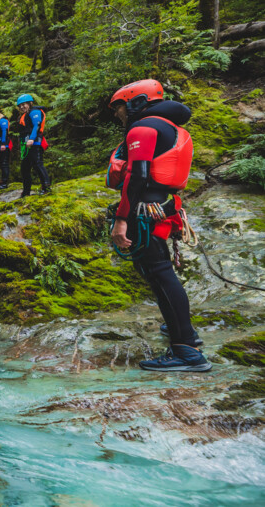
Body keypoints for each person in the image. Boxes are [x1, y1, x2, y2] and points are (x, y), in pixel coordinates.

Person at [105, 79, 209, 372]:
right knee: (160, 272)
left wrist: (121, 219)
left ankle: (186, 350)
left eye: (120, 107)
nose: (118, 114)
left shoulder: (144, 129)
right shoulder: (170, 128)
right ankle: (181, 331)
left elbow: (136, 177)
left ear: (137, 102)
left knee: (159, 274)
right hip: (160, 206)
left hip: (142, 211)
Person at [15, 94, 52, 197]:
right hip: (26, 145)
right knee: (24, 168)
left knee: (37, 164)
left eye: (24, 104)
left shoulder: (34, 112)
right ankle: (26, 191)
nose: (22, 107)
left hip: (35, 143)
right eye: (20, 106)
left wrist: (31, 139)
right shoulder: (24, 115)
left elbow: (37, 125)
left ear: (29, 103)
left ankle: (46, 187)